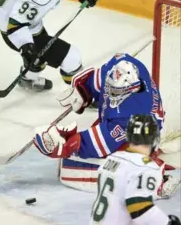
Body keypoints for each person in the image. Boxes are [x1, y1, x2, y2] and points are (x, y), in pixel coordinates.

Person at [0, 0, 101, 91]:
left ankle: (28, 79)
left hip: (15, 16)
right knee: (71, 58)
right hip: (12, 27)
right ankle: (85, 94)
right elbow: (15, 25)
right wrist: (26, 46)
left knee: (38, 57)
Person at [33, 53, 165, 159]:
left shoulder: (134, 119)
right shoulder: (119, 65)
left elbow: (93, 144)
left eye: (114, 91)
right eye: (109, 86)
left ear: (128, 91)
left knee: (130, 155)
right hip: (130, 111)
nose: (109, 92)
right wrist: (85, 90)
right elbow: (100, 78)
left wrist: (68, 145)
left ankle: (149, 162)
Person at [90, 114, 181, 225]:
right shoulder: (145, 167)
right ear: (155, 138)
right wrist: (167, 222)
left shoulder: (111, 159)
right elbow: (139, 210)